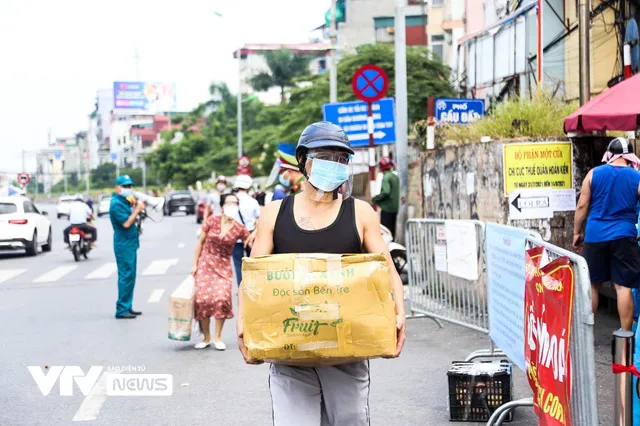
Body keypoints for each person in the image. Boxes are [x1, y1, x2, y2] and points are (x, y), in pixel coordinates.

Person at [237, 121, 406, 426]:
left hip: (348, 356)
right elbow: (253, 279)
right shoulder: (274, 214)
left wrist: (399, 313)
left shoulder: (360, 213)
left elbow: (387, 271)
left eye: (341, 159)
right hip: (289, 354)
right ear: (303, 161)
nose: (335, 164)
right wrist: (243, 327)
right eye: (325, 156)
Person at [573, 137, 640, 331]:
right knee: (623, 286)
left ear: (609, 155)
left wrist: (577, 233)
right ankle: (625, 336)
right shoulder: (637, 177)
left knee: (592, 285)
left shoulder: (594, 174)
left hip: (595, 236)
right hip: (624, 237)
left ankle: (588, 336)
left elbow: (582, 206)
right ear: (628, 157)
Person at [190, 193, 250, 350]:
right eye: (229, 203)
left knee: (221, 298)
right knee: (202, 300)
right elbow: (200, 243)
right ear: (222, 206)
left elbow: (251, 243)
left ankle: (217, 337)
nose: (232, 206)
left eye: (235, 203)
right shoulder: (211, 221)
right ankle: (206, 338)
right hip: (206, 262)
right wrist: (194, 264)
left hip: (223, 265)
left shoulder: (239, 228)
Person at [109, 175, 146, 320]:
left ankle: (127, 306)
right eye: (125, 186)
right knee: (125, 276)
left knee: (130, 275)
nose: (128, 189)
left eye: (129, 186)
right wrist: (137, 210)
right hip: (123, 243)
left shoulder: (123, 201)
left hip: (129, 241)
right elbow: (126, 223)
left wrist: (135, 206)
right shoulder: (116, 204)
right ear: (117, 188)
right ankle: (122, 309)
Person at [231, 174, 260, 286]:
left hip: (235, 237)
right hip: (250, 237)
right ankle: (252, 286)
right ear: (248, 187)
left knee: (238, 265)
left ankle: (241, 288)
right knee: (251, 264)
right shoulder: (253, 201)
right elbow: (258, 220)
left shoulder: (230, 200)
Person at [372, 156, 400, 238]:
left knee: (386, 232)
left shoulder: (386, 177)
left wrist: (375, 199)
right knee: (392, 231)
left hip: (387, 208)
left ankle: (386, 249)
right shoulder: (395, 176)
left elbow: (386, 192)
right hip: (395, 208)